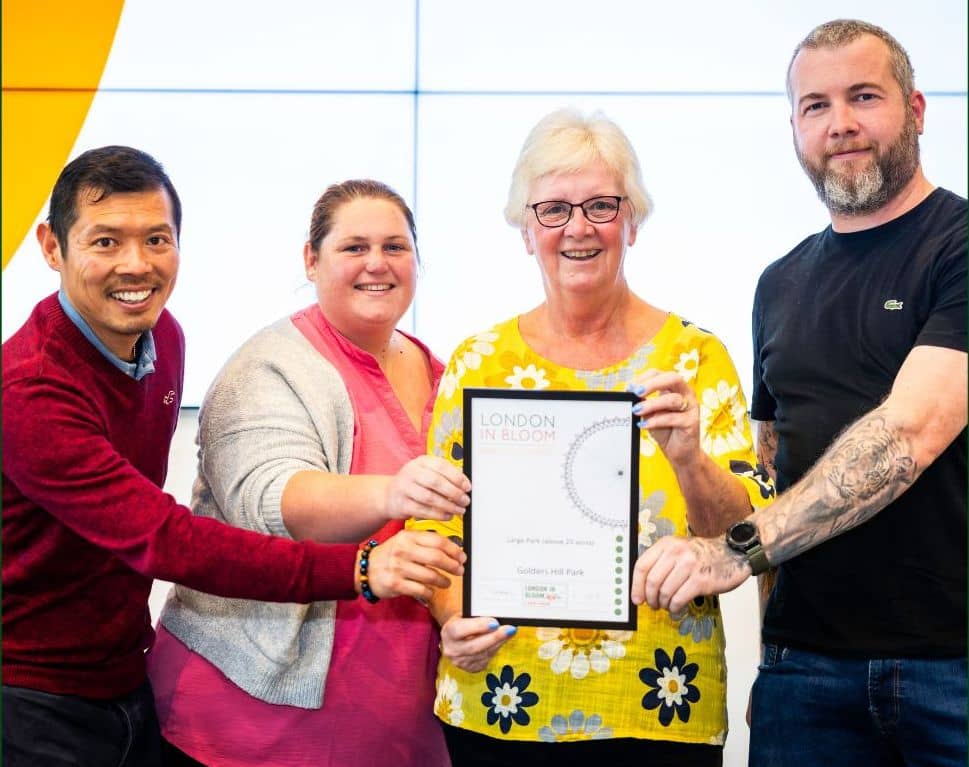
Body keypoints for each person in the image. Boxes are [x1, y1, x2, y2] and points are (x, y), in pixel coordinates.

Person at [1, 150, 467, 767]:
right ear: (52, 247)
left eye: (156, 239)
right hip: (33, 693)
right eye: (105, 241)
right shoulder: (29, 389)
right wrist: (361, 568)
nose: (135, 264)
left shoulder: (160, 337)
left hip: (125, 672)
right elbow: (171, 538)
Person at [631, 19, 967, 767]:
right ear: (793, 127)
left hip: (953, 668)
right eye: (814, 105)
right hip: (805, 675)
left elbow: (909, 435)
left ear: (914, 111)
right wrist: (772, 655)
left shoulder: (958, 246)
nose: (839, 124)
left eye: (862, 97)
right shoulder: (778, 283)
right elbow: (774, 473)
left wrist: (736, 550)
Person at [407, 109, 776, 767]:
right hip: (500, 700)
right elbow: (434, 528)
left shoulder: (694, 358)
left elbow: (743, 539)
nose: (577, 227)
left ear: (631, 220)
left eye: (600, 205)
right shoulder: (477, 362)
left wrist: (688, 455)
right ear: (525, 229)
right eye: (552, 208)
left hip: (659, 705)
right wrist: (450, 615)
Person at [146, 179, 471, 766]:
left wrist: (459, 619)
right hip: (251, 725)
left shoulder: (442, 371)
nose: (377, 263)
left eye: (395, 247)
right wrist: (393, 494)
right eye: (354, 247)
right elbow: (273, 501)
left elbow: (454, 536)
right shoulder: (265, 366)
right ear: (311, 259)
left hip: (400, 726)